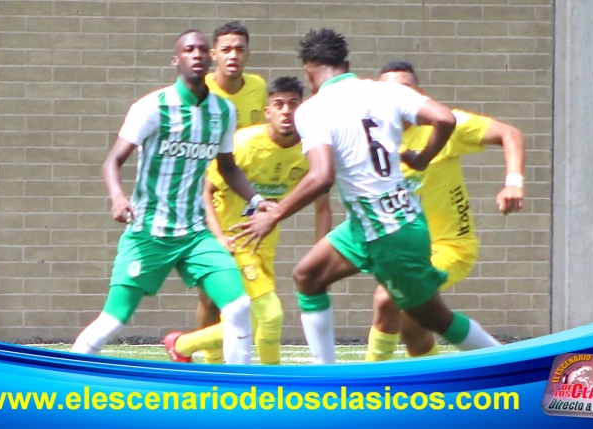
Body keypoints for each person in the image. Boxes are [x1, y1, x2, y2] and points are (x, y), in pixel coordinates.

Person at [231, 28, 501, 364]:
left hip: (390, 231)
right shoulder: (384, 91)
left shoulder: (313, 109)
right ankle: (326, 380)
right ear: (345, 63)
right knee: (308, 275)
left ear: (308, 69)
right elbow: (444, 119)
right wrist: (424, 156)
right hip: (372, 221)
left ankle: (513, 367)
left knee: (435, 319)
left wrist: (273, 214)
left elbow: (321, 176)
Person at [70, 29, 268, 365]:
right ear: (176, 59)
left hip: (194, 233)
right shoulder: (152, 107)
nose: (196, 54)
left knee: (239, 306)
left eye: (202, 50)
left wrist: (257, 200)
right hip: (149, 231)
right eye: (188, 49)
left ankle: (239, 395)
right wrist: (118, 197)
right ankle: (65, 383)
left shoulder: (223, 111)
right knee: (113, 319)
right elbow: (112, 161)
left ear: (210, 59)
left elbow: (229, 168)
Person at [162, 76, 332, 364]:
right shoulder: (244, 143)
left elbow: (323, 207)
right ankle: (270, 385)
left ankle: (184, 345)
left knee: (250, 320)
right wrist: (218, 236)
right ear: (267, 111)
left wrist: (321, 257)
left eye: (293, 104)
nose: (286, 111)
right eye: (278, 104)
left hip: (264, 246)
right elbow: (205, 190)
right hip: (234, 241)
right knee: (270, 314)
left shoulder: (310, 150)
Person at [365, 61, 525, 361]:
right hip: (403, 249)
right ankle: (433, 394)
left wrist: (513, 182)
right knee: (414, 327)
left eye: (406, 90)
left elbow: (510, 134)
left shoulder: (445, 126)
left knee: (386, 298)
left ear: (420, 95)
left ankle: (362, 394)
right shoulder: (373, 138)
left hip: (450, 247)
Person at [196, 20, 269, 362]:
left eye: (240, 49)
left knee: (246, 288)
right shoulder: (201, 88)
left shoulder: (257, 87)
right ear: (214, 55)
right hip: (206, 195)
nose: (233, 55)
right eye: (226, 49)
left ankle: (230, 357)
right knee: (211, 293)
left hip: (244, 198)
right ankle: (206, 361)